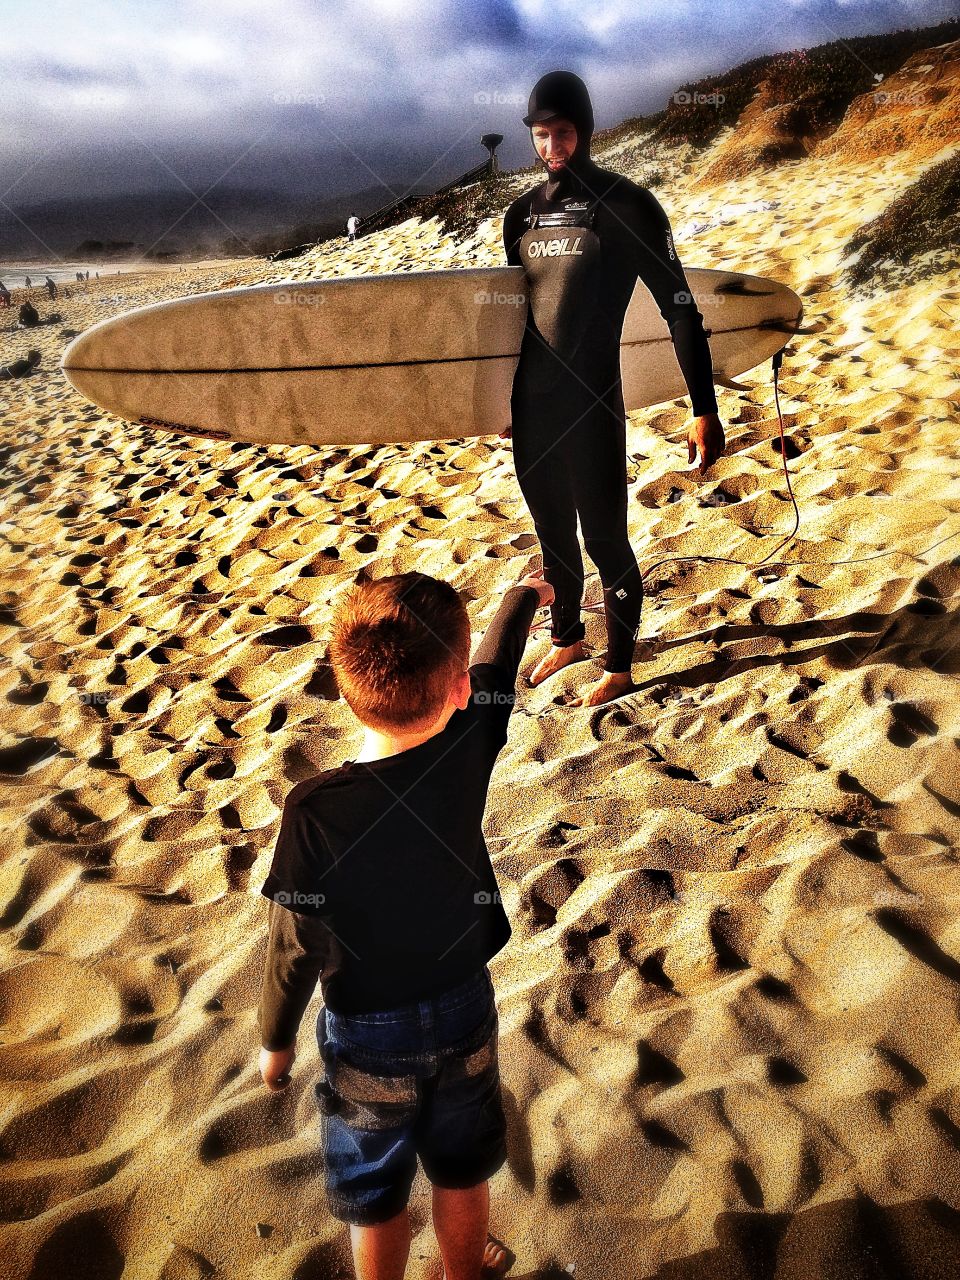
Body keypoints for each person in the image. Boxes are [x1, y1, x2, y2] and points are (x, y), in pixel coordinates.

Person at [257, 566, 553, 1280]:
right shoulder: (471, 739)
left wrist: (274, 1040)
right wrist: (523, 596)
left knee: (375, 1190)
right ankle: (462, 1272)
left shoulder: (314, 809)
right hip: (463, 1006)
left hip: (366, 1033)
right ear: (457, 691)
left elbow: (295, 941)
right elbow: (495, 661)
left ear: (348, 694)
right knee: (460, 1170)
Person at [501, 70, 726, 709]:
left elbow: (680, 308)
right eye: (541, 135)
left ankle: (620, 663)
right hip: (531, 403)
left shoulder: (625, 206)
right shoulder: (522, 213)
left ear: (586, 130)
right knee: (550, 534)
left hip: (593, 402)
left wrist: (703, 409)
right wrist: (498, 402)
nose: (553, 147)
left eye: (564, 132)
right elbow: (512, 320)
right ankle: (568, 636)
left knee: (603, 538)